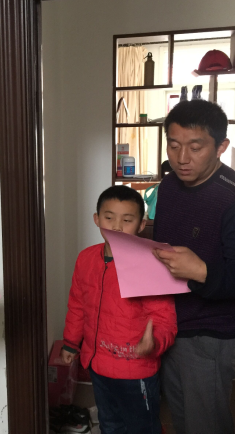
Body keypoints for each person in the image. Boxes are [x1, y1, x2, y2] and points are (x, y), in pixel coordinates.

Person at [152, 99, 235, 434]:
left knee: (206, 424)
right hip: (171, 321)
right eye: (174, 145)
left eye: (195, 147)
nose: (182, 158)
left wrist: (200, 270)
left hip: (210, 333)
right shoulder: (168, 186)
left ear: (221, 147)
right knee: (182, 418)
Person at [61, 185, 177, 433]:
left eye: (127, 220)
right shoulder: (85, 258)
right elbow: (77, 304)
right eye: (109, 217)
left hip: (136, 369)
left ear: (141, 224)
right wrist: (71, 343)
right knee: (110, 424)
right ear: (96, 219)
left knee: (142, 428)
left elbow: (164, 318)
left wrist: (155, 342)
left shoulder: (150, 264)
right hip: (98, 365)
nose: (116, 226)